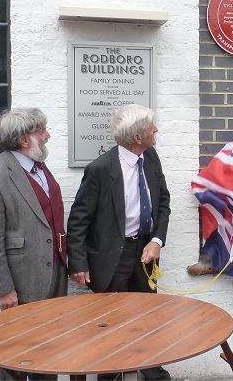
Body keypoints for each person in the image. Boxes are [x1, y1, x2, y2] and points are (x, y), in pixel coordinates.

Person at [67, 104, 171, 381]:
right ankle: (109, 376)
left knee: (147, 319)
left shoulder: (151, 157)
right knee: (111, 325)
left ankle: (153, 374)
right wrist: (78, 263)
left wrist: (157, 240)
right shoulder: (100, 169)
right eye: (152, 127)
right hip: (111, 257)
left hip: (144, 253)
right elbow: (78, 220)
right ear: (137, 137)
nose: (156, 130)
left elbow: (163, 202)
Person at [0, 108, 67, 381]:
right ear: (25, 140)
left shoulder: (39, 167)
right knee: (14, 354)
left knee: (48, 350)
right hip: (21, 279)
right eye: (42, 131)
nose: (48, 136)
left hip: (54, 273)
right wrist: (3, 289)